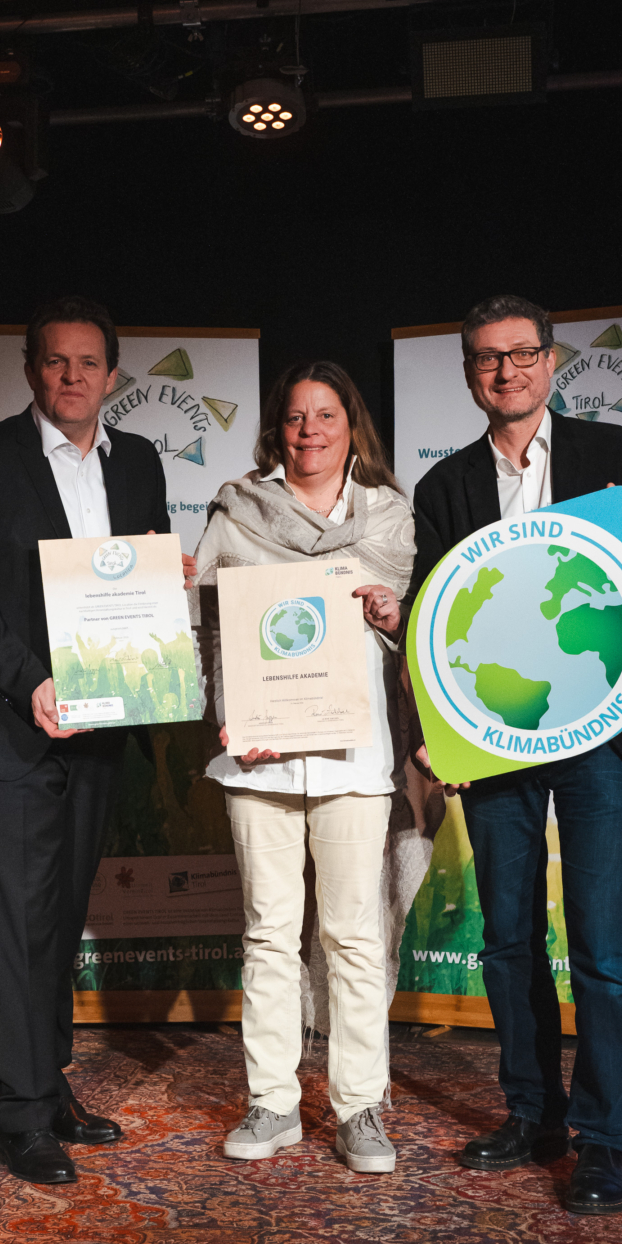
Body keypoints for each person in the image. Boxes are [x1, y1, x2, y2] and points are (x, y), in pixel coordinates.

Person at [408, 294, 622, 1216]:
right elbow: (433, 619)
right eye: (488, 359)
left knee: (607, 953)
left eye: (522, 355)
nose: (507, 372)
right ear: (468, 372)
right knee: (508, 940)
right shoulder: (443, 486)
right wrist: (430, 727)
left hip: (602, 734)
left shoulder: (614, 456)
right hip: (494, 739)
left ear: (551, 360)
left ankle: (605, 1143)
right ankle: (532, 1114)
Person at [0, 296, 189, 1186]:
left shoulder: (141, 461)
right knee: (17, 920)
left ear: (113, 376)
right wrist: (33, 683)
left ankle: (48, 1084)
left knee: (62, 917)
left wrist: (167, 579)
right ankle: (22, 1117)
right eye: (54, 361)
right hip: (7, 727)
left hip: (98, 726)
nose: (71, 377)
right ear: (31, 370)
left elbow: (137, 578)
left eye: (88, 364)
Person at [193, 361, 417, 1172]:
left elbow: (401, 627)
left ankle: (360, 1108)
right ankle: (273, 1103)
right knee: (268, 935)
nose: (310, 431)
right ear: (276, 428)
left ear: (350, 426)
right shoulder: (236, 509)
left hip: (355, 757)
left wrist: (392, 612)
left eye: (326, 416)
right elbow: (208, 627)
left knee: (355, 936)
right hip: (258, 759)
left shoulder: (389, 515)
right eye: (296, 417)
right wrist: (225, 713)